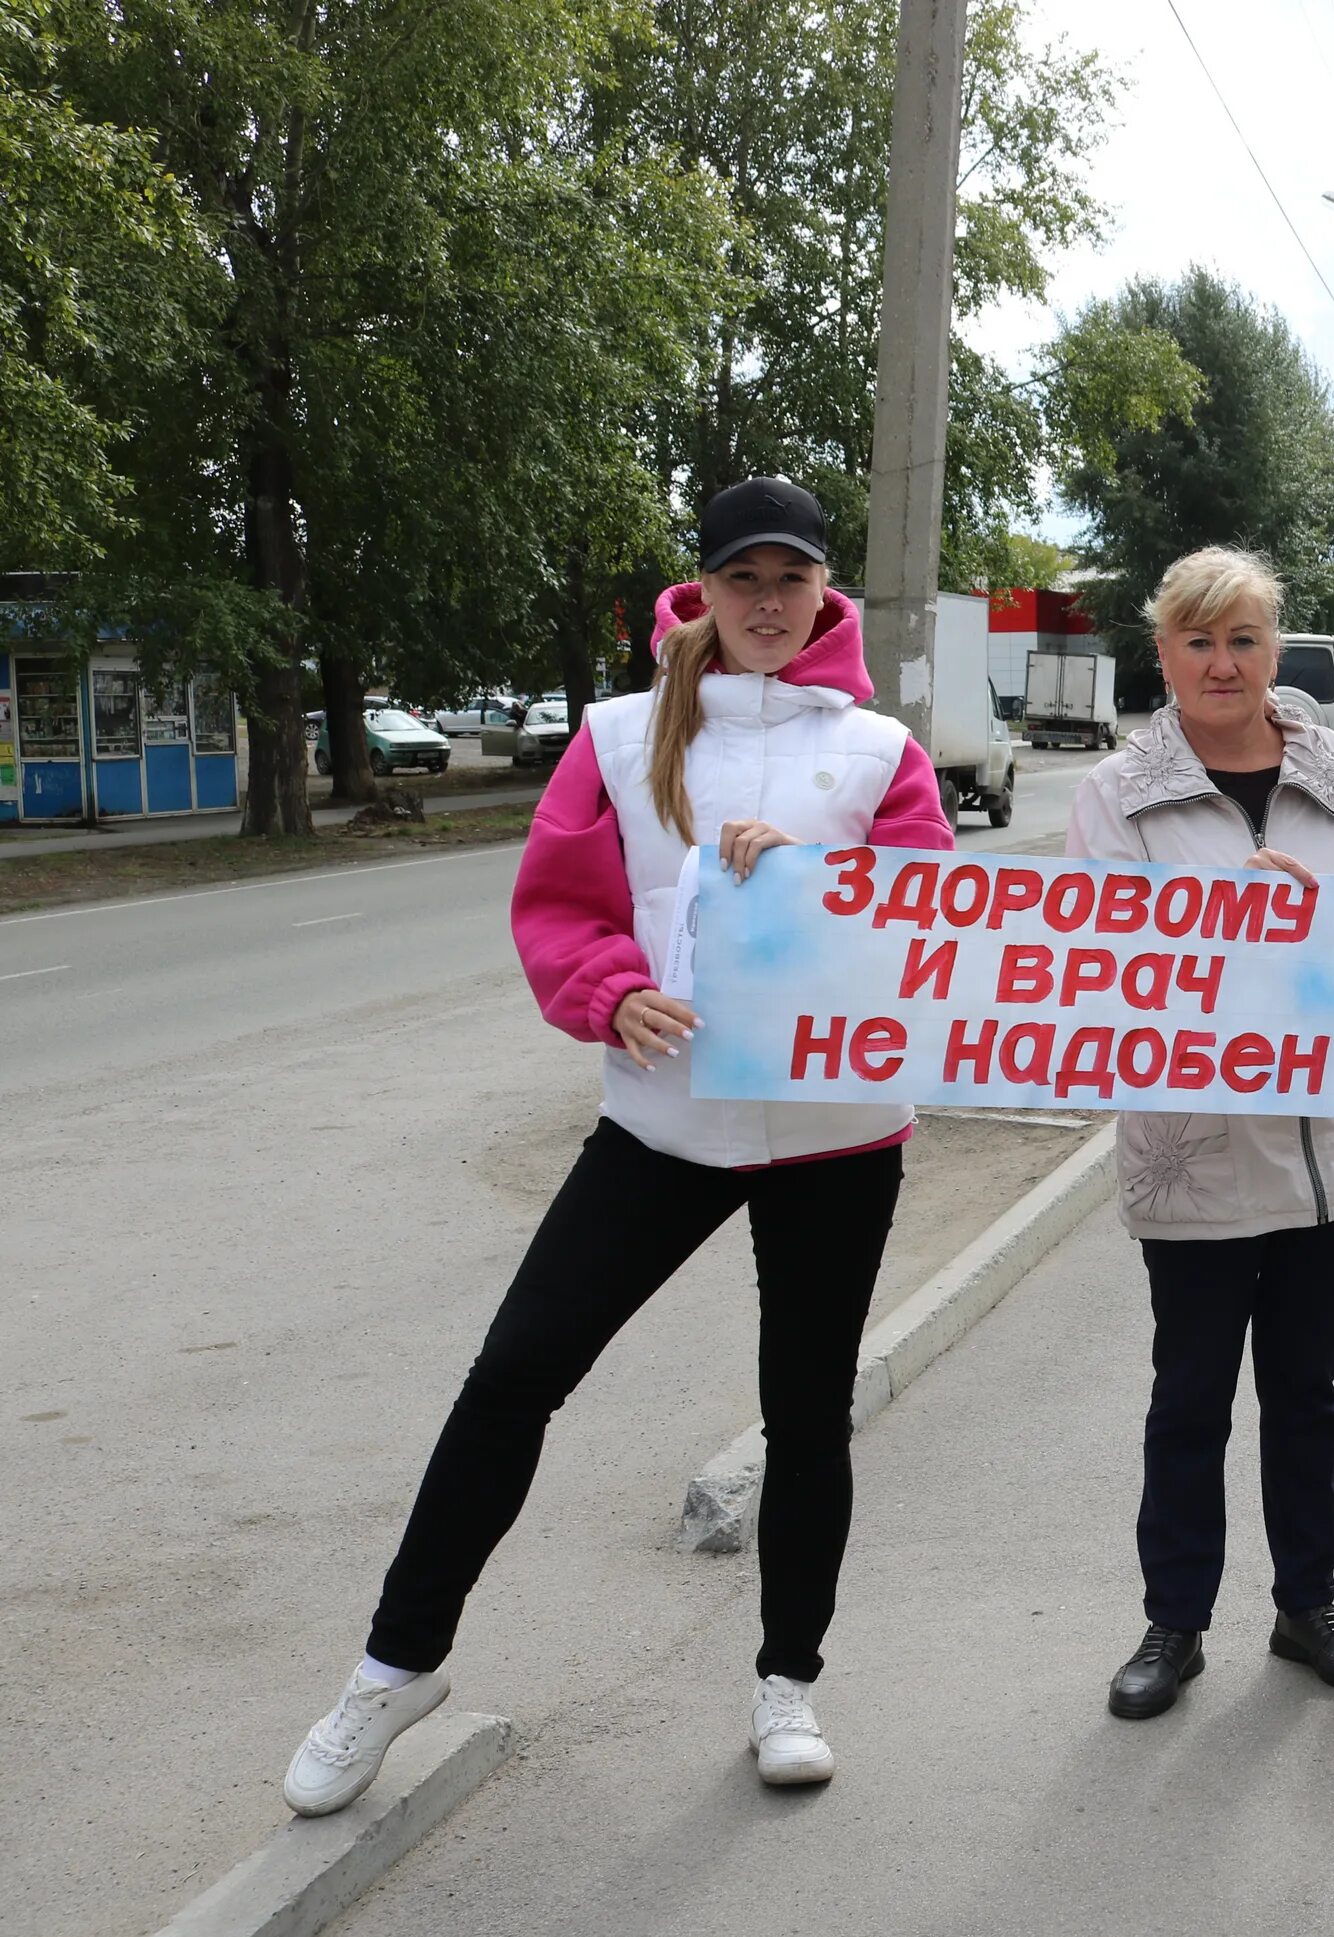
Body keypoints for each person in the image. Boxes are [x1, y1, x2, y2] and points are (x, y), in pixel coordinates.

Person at [280, 478, 953, 1814]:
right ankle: (393, 1668)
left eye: (791, 578)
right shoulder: (619, 734)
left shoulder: (879, 751)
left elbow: (931, 929)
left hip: (834, 1136)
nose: (767, 602)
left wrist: (826, 889)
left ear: (825, 592)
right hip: (664, 1121)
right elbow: (565, 910)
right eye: (741, 578)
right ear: (699, 591)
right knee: (515, 1372)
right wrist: (608, 991)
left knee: (811, 1413)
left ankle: (787, 1684)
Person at [1066, 546, 1334, 1721]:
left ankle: (1308, 1603)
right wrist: (1241, 925)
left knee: (1306, 1393)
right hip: (1195, 1155)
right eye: (1198, 641)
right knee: (1188, 1396)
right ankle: (1172, 1623)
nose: (1223, 663)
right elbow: (1105, 972)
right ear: (1164, 655)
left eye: (1243, 639)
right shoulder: (1116, 793)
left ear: (1272, 645)